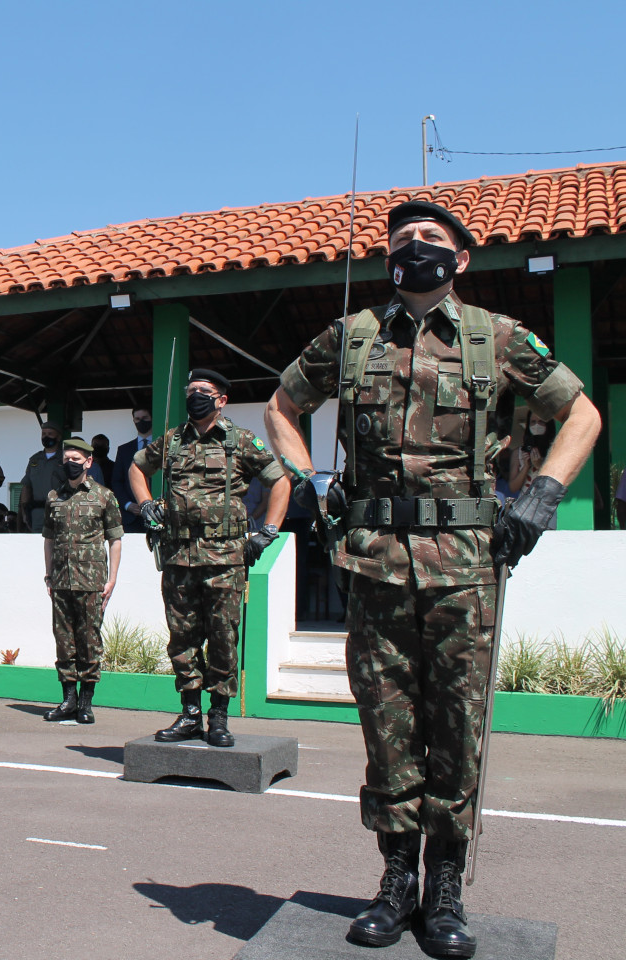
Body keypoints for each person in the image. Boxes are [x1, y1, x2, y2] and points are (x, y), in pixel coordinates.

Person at [263, 200, 600, 956]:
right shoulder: (350, 340)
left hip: (466, 570)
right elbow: (283, 407)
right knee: (387, 727)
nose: (415, 247)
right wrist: (307, 479)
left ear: (461, 259)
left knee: (457, 727)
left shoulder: (495, 337)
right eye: (403, 238)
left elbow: (581, 416)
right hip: (375, 563)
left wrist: (541, 496)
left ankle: (445, 888)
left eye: (432, 239)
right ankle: (394, 882)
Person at [129, 369, 289, 748]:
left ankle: (219, 716)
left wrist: (268, 531)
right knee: (182, 638)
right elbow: (137, 467)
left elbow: (279, 481)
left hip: (225, 558)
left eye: (205, 391)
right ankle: (189, 714)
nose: (195, 396)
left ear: (221, 400)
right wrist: (147, 503)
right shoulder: (171, 441)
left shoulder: (240, 440)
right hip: (179, 556)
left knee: (223, 638)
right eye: (191, 390)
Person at [41, 438, 123, 724]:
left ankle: (86, 703)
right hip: (61, 581)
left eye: (76, 459)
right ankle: (68, 700)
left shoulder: (104, 496)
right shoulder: (54, 497)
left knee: (89, 641)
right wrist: (48, 574)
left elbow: (115, 540)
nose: (70, 464)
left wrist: (112, 579)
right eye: (66, 459)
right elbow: (48, 540)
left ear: (88, 462)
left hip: (91, 582)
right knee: (64, 641)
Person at [112, 406, 154, 533]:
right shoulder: (124, 450)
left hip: (156, 514)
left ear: (152, 418)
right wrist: (127, 505)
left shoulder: (162, 446)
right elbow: (117, 481)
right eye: (137, 419)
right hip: (132, 518)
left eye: (145, 418)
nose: (141, 421)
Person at [19, 421, 66, 532]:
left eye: (50, 434)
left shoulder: (66, 459)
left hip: (60, 509)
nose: (46, 437)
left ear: (58, 437)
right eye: (43, 434)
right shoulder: (34, 459)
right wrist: (24, 511)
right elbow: (27, 486)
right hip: (37, 512)